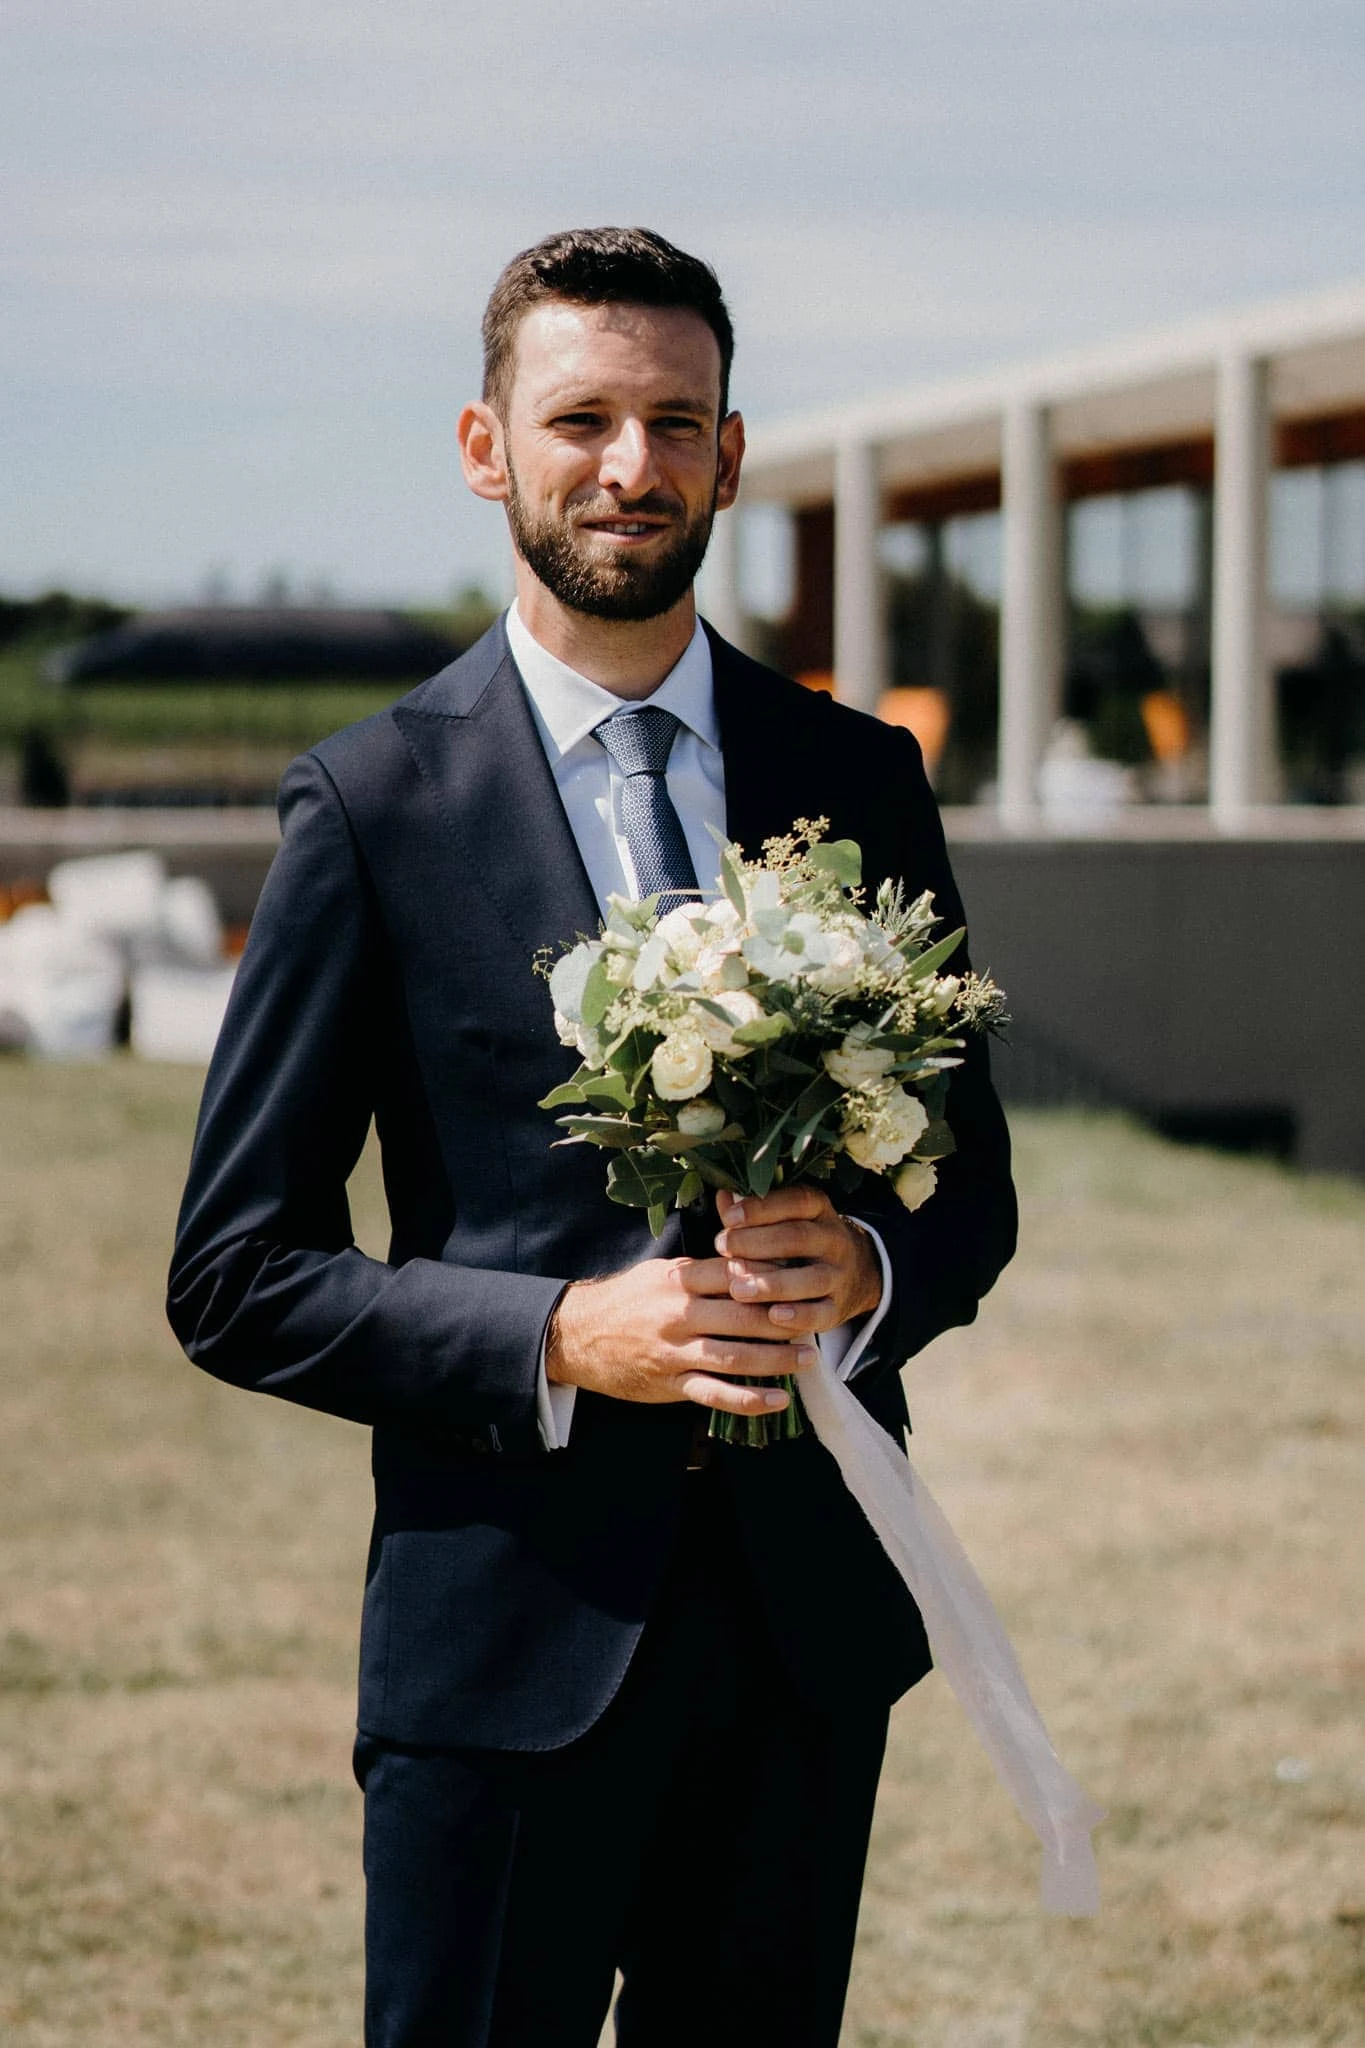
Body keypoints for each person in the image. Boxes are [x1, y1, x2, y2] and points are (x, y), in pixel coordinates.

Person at [168, 226, 1017, 2048]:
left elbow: (973, 1184)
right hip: (500, 1652)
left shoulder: (859, 777)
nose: (631, 466)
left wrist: (871, 1265)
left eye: (675, 422)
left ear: (730, 450)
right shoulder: (371, 803)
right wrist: (559, 1337)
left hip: (804, 1644)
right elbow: (236, 1272)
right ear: (490, 447)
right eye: (583, 420)